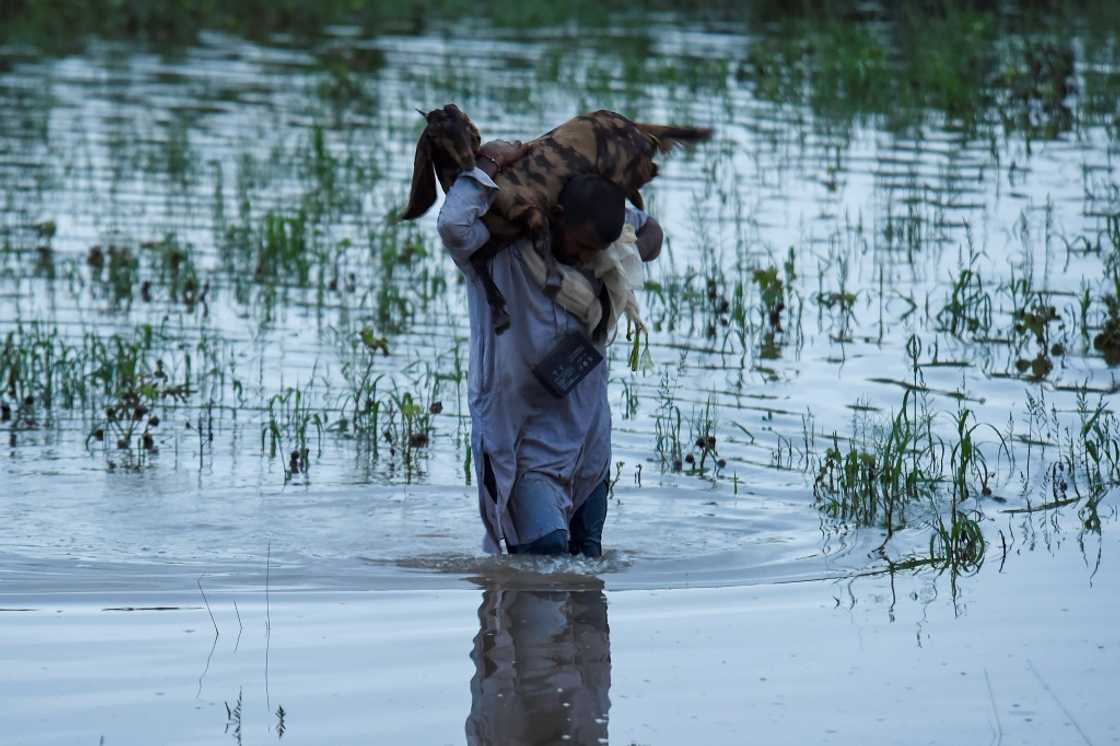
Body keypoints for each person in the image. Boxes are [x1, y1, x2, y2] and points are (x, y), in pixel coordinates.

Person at [437, 138, 663, 557]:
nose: (584, 258)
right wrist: (490, 162)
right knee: (545, 562)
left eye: (596, 251)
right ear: (557, 217)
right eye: (578, 245)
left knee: (588, 569)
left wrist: (629, 252)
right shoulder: (499, 250)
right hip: (522, 445)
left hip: (587, 442)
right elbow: (453, 224)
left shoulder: (601, 246)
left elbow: (650, 230)